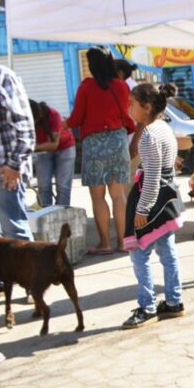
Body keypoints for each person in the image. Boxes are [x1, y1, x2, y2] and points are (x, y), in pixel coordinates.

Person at [121, 84, 185, 329]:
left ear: (146, 107)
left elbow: (153, 175)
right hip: (168, 198)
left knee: (139, 253)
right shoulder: (164, 128)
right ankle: (173, 301)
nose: (129, 108)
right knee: (168, 252)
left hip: (152, 200)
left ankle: (147, 306)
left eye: (132, 104)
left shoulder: (148, 134)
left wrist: (142, 209)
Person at [66, 47, 137, 254]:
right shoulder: (122, 86)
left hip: (94, 143)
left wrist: (65, 124)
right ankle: (124, 242)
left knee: (98, 196)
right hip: (117, 140)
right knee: (119, 195)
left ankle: (105, 243)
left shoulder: (87, 86)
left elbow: (77, 118)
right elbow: (128, 114)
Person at [0, 60, 36, 296]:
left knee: (14, 231)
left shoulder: (2, 77)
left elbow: (26, 128)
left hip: (4, 172)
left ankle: (31, 285)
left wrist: (14, 164)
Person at [30, 100, 76, 207]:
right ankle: (45, 214)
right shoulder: (26, 119)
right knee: (43, 186)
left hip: (65, 149)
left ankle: (61, 215)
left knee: (63, 186)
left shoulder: (53, 115)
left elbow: (53, 145)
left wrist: (34, 147)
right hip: (42, 152)